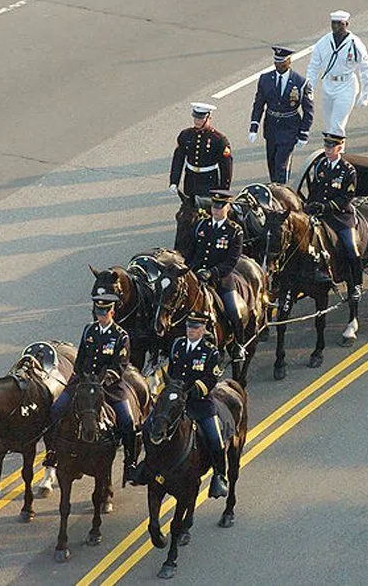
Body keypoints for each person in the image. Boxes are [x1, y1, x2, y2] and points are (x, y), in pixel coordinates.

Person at [46, 294, 141, 483]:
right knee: (55, 411)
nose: (100, 316)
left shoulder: (120, 336)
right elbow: (81, 357)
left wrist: (103, 379)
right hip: (84, 381)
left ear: (112, 312)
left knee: (128, 421)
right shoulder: (89, 330)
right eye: (98, 312)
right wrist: (82, 376)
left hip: (109, 385)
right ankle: (52, 453)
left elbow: (120, 364)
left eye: (104, 313)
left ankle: (130, 463)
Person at [166, 311, 229, 498]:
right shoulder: (178, 345)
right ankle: (147, 466)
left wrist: (193, 391)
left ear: (203, 329)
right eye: (188, 326)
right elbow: (172, 370)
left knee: (215, 437)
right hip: (178, 401)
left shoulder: (211, 352)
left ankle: (219, 475)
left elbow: (211, 378)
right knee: (154, 424)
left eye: (194, 327)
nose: (190, 330)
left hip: (200, 404)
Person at [303, 133, 362, 300]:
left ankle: (356, 284)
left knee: (351, 247)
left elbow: (347, 197)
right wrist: (309, 206)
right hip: (320, 213)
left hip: (340, 216)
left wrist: (327, 206)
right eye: (326, 146)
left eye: (331, 147)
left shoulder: (348, 170)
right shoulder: (321, 165)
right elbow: (314, 188)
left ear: (339, 148)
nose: (327, 150)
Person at [248, 46, 315, 183]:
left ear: (289, 61)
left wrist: (303, 133)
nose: (279, 65)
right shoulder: (265, 79)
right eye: (276, 62)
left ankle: (281, 191)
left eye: (282, 62)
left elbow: (308, 111)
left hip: (289, 128)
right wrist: (254, 126)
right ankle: (275, 187)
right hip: (271, 126)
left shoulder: (300, 83)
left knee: (282, 165)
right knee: (272, 163)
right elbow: (259, 104)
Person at [189, 190, 244, 350]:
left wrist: (212, 272)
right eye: (214, 206)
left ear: (228, 208)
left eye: (221, 207)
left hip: (221, 280)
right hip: (197, 277)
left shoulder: (234, 231)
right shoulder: (201, 226)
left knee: (234, 311)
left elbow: (231, 261)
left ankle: (239, 345)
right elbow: (191, 252)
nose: (216, 210)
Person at [305, 11, 368, 137]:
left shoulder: (355, 44)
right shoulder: (323, 42)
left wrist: (366, 93)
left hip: (346, 86)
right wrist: (309, 88)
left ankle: (335, 154)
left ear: (346, 24)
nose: (336, 26)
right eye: (334, 23)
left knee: (337, 125)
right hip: (328, 84)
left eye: (340, 23)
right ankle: (334, 152)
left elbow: (365, 69)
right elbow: (313, 67)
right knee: (329, 124)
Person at [169, 103, 233, 198]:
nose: (197, 121)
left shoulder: (218, 139)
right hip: (190, 180)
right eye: (195, 118)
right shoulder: (186, 135)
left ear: (209, 118)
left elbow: (226, 167)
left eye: (200, 118)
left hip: (209, 181)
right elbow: (178, 159)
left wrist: (224, 190)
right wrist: (174, 181)